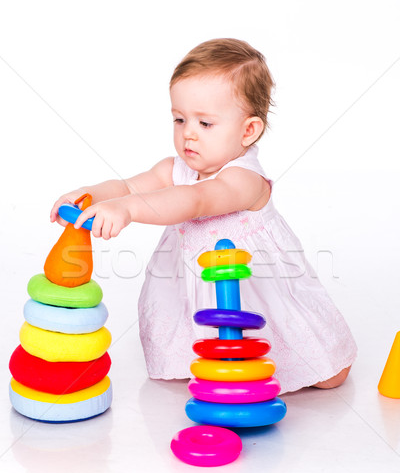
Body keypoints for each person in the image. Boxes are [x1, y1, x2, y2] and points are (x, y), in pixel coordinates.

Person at [50, 38, 357, 394]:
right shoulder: (175, 168)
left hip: (253, 284)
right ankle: (208, 361)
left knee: (328, 376)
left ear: (248, 130)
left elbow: (196, 200)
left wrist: (129, 210)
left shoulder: (245, 179)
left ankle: (315, 358)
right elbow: (127, 186)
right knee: (195, 354)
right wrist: (92, 195)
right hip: (195, 281)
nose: (188, 134)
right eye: (179, 119)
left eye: (205, 124)